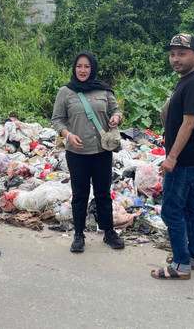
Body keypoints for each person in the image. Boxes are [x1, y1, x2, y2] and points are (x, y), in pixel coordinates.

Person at [52, 51, 125, 253]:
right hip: (77, 152)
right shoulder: (65, 92)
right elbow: (57, 120)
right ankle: (78, 234)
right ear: (74, 68)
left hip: (102, 151)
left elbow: (117, 110)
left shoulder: (103, 90)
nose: (82, 70)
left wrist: (116, 119)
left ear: (92, 68)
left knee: (103, 193)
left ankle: (109, 232)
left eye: (86, 66)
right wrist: (68, 135)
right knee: (80, 194)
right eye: (79, 66)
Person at [151, 33, 194, 280]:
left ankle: (180, 265)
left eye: (182, 54)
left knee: (171, 211)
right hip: (190, 159)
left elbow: (188, 124)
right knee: (188, 210)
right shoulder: (188, 79)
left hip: (183, 161)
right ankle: (192, 258)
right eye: (173, 54)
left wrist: (171, 158)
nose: (176, 59)